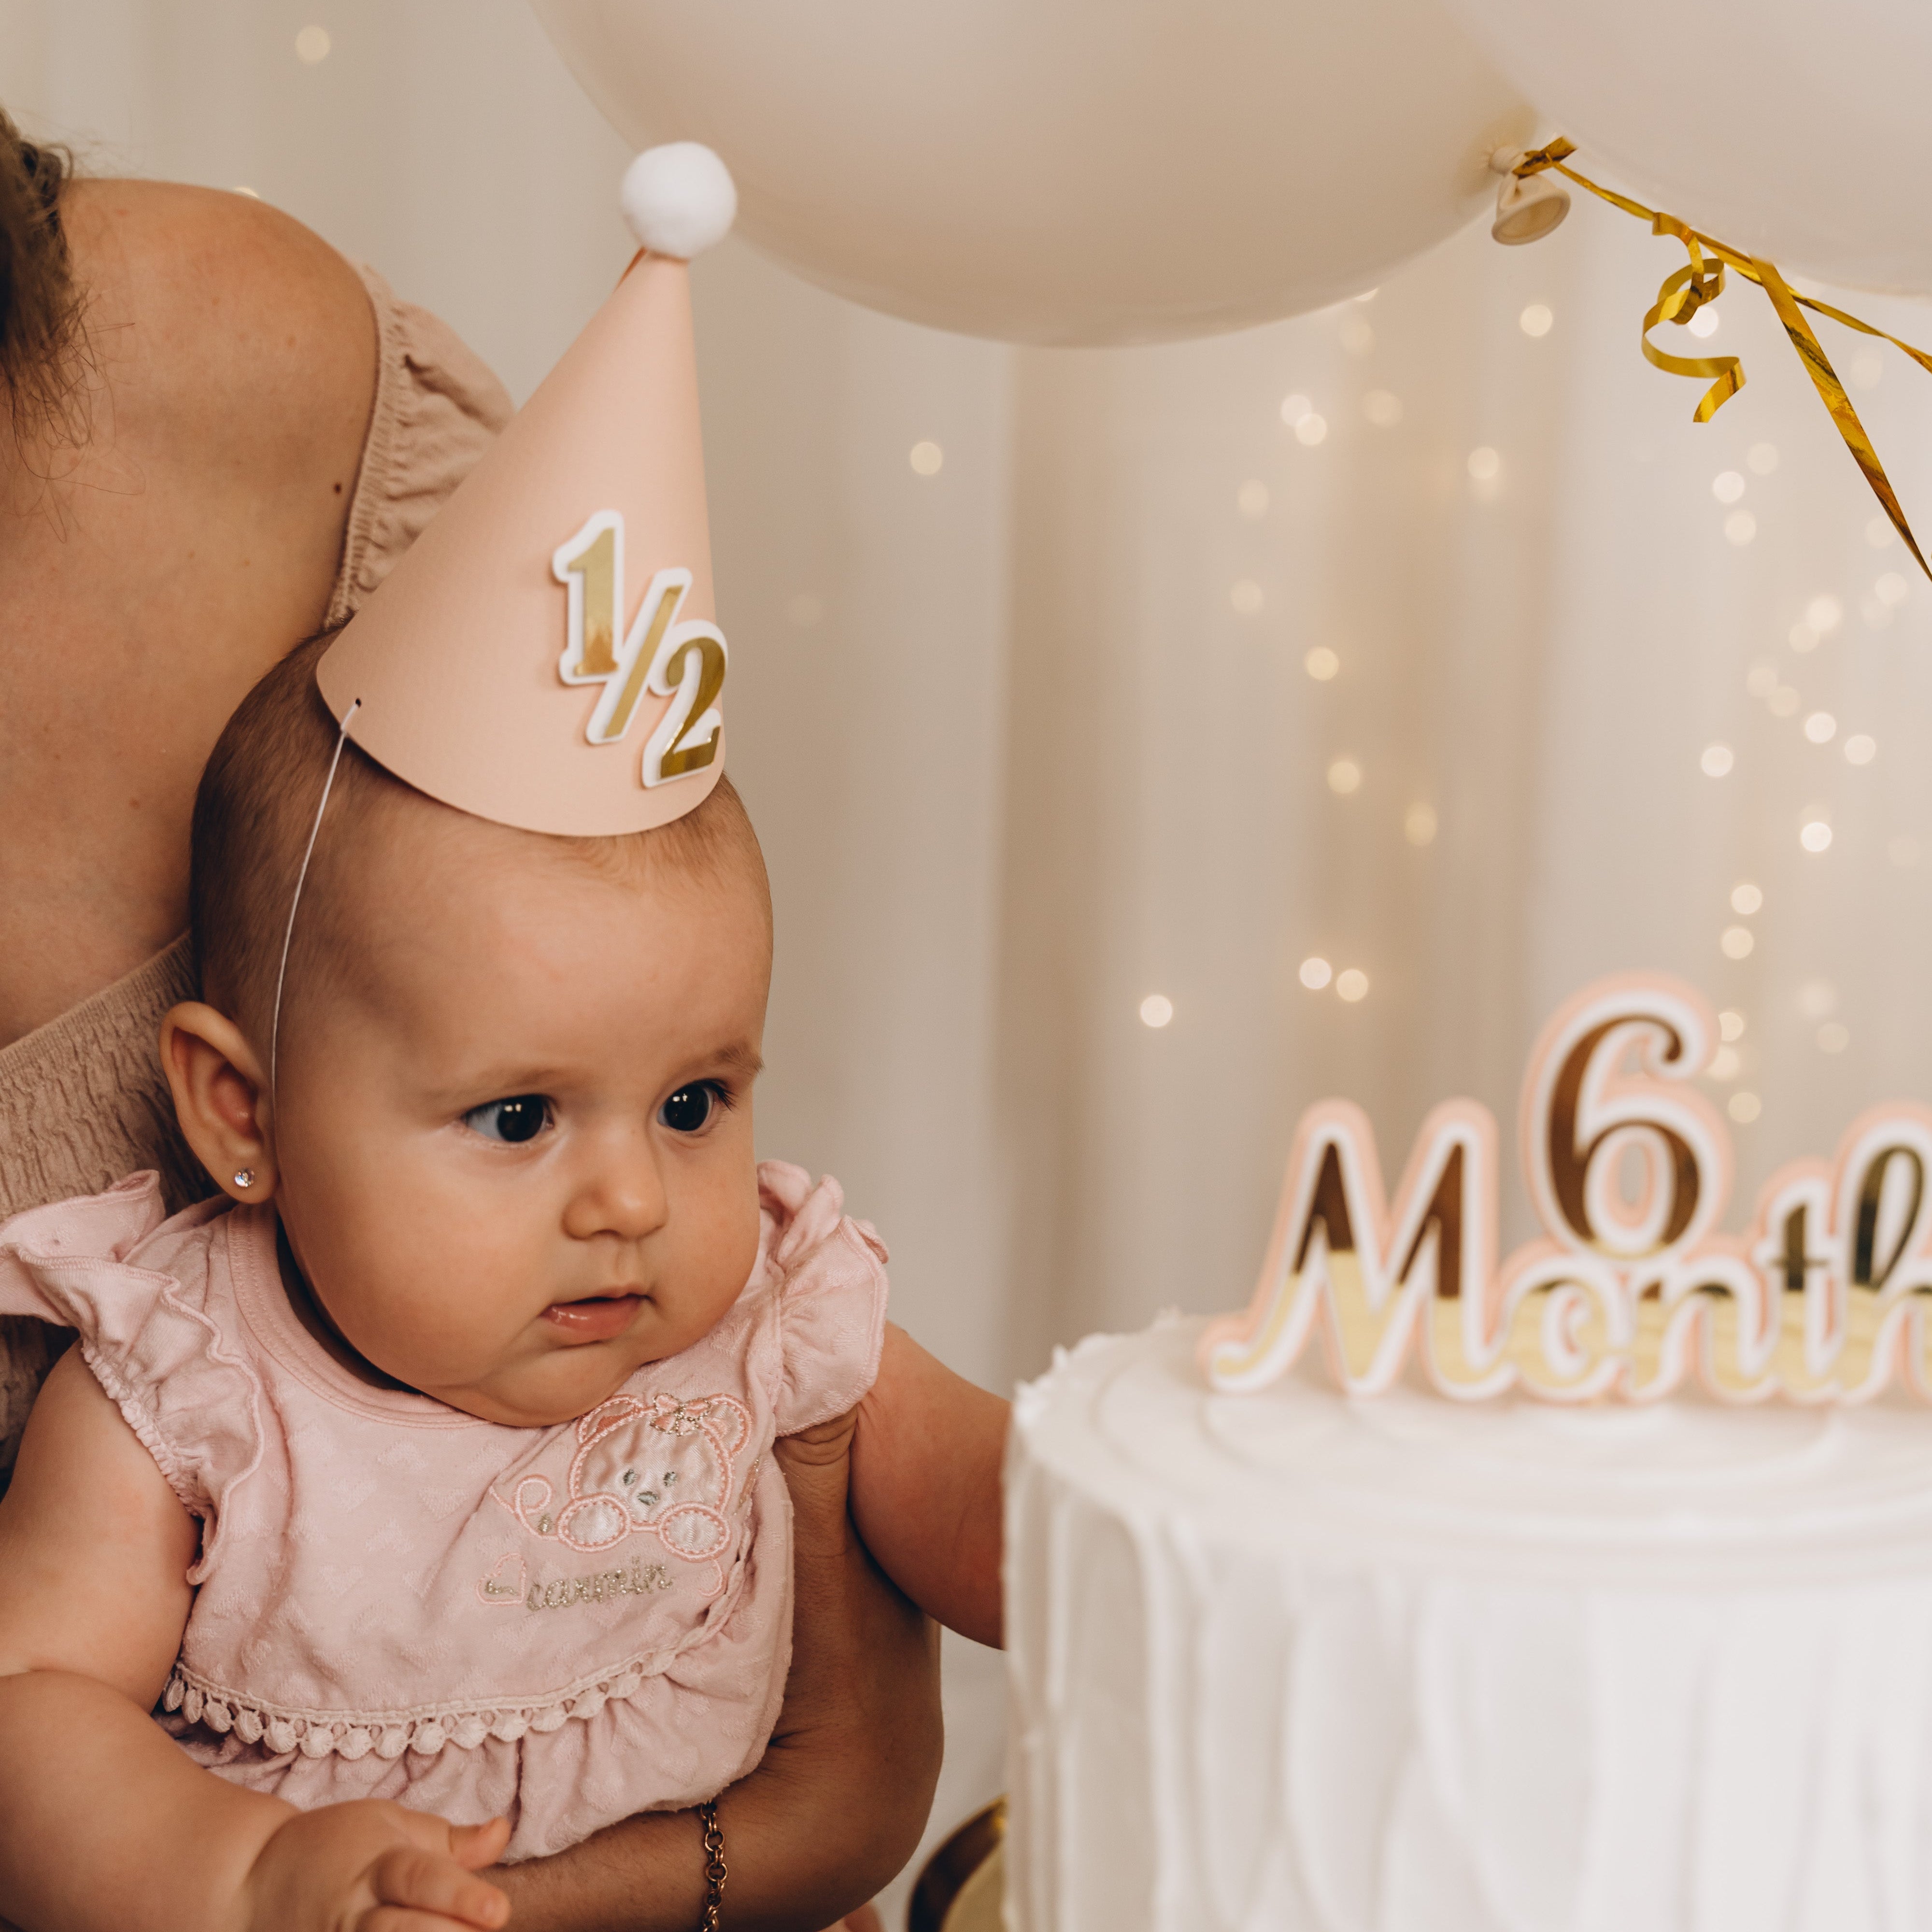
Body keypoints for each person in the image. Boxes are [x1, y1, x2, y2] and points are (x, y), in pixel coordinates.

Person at [0, 114, 959, 1930]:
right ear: (238, 1112)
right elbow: (34, 1705)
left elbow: (1023, 1514)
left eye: (693, 1097)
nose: (632, 1198)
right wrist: (248, 1873)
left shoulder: (769, 1302)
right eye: (520, 1120)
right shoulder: (189, 1387)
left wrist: (1196, 1496)